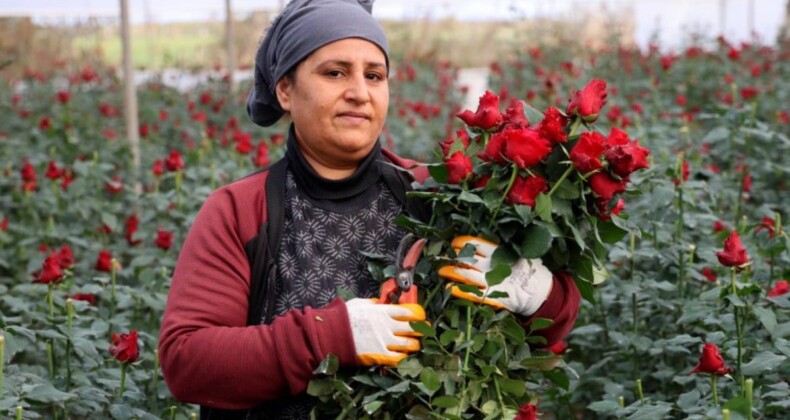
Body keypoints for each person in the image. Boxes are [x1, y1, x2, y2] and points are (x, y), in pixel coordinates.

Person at [157, 0, 580, 419]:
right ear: (285, 90)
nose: (359, 92)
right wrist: (331, 336)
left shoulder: (436, 201)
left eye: (374, 75)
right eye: (335, 72)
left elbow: (545, 329)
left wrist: (537, 294)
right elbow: (187, 360)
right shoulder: (241, 210)